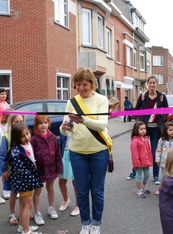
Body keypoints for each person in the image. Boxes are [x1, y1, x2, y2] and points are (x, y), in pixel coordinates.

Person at [60, 67, 110, 234]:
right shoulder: (72, 102)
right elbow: (64, 129)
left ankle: (96, 223)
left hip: (99, 150)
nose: (81, 88)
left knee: (97, 190)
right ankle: (85, 223)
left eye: (84, 85)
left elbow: (102, 124)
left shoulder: (101, 100)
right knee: (81, 190)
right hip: (77, 151)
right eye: (78, 85)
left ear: (92, 84)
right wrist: (65, 127)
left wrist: (83, 120)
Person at [128, 75, 169, 185]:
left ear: (156, 84)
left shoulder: (161, 97)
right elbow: (136, 110)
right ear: (147, 84)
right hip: (144, 129)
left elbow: (167, 111)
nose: (152, 85)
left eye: (154, 83)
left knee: (155, 151)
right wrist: (133, 116)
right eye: (150, 83)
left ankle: (155, 175)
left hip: (156, 128)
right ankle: (135, 172)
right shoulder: (143, 96)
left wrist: (162, 117)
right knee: (139, 151)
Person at [4, 122, 42, 234]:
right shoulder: (17, 152)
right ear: (17, 138)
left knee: (22, 204)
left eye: (27, 134)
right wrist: (33, 180)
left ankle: (23, 226)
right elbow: (21, 171)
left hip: (25, 181)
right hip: (24, 182)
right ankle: (26, 230)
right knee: (28, 204)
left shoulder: (25, 145)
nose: (27, 137)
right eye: (23, 136)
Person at [31, 115, 63, 225]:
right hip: (38, 169)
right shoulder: (34, 139)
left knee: (50, 188)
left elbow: (58, 154)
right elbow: (31, 156)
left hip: (51, 167)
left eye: (45, 122)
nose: (43, 125)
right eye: (40, 123)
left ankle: (51, 207)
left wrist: (59, 168)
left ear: (48, 123)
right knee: (38, 191)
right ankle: (37, 212)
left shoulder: (53, 137)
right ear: (36, 125)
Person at [0, 113, 26, 225]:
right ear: (11, 123)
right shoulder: (6, 137)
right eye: (16, 121)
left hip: (23, 171)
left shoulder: (25, 136)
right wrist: (4, 170)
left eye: (21, 121)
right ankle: (12, 214)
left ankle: (22, 213)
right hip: (12, 172)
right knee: (14, 193)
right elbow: (2, 156)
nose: (19, 124)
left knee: (23, 193)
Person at [155, 122, 173, 195]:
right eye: (170, 130)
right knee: (164, 176)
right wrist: (157, 159)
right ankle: (162, 188)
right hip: (164, 162)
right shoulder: (162, 140)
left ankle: (172, 189)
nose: (172, 131)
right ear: (165, 131)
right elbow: (158, 150)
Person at [58, 133, 79, 216]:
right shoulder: (64, 129)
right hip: (65, 155)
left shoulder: (79, 127)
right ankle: (66, 200)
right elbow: (60, 144)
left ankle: (78, 205)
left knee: (76, 182)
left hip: (76, 156)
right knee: (61, 181)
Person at [130, 121, 153, 198]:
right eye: (141, 129)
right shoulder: (135, 141)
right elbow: (134, 153)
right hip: (139, 163)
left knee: (147, 174)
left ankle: (143, 186)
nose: (143, 130)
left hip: (146, 162)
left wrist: (150, 160)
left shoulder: (146, 139)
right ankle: (139, 190)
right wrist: (137, 163)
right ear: (136, 130)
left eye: (144, 129)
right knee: (138, 176)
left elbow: (148, 151)